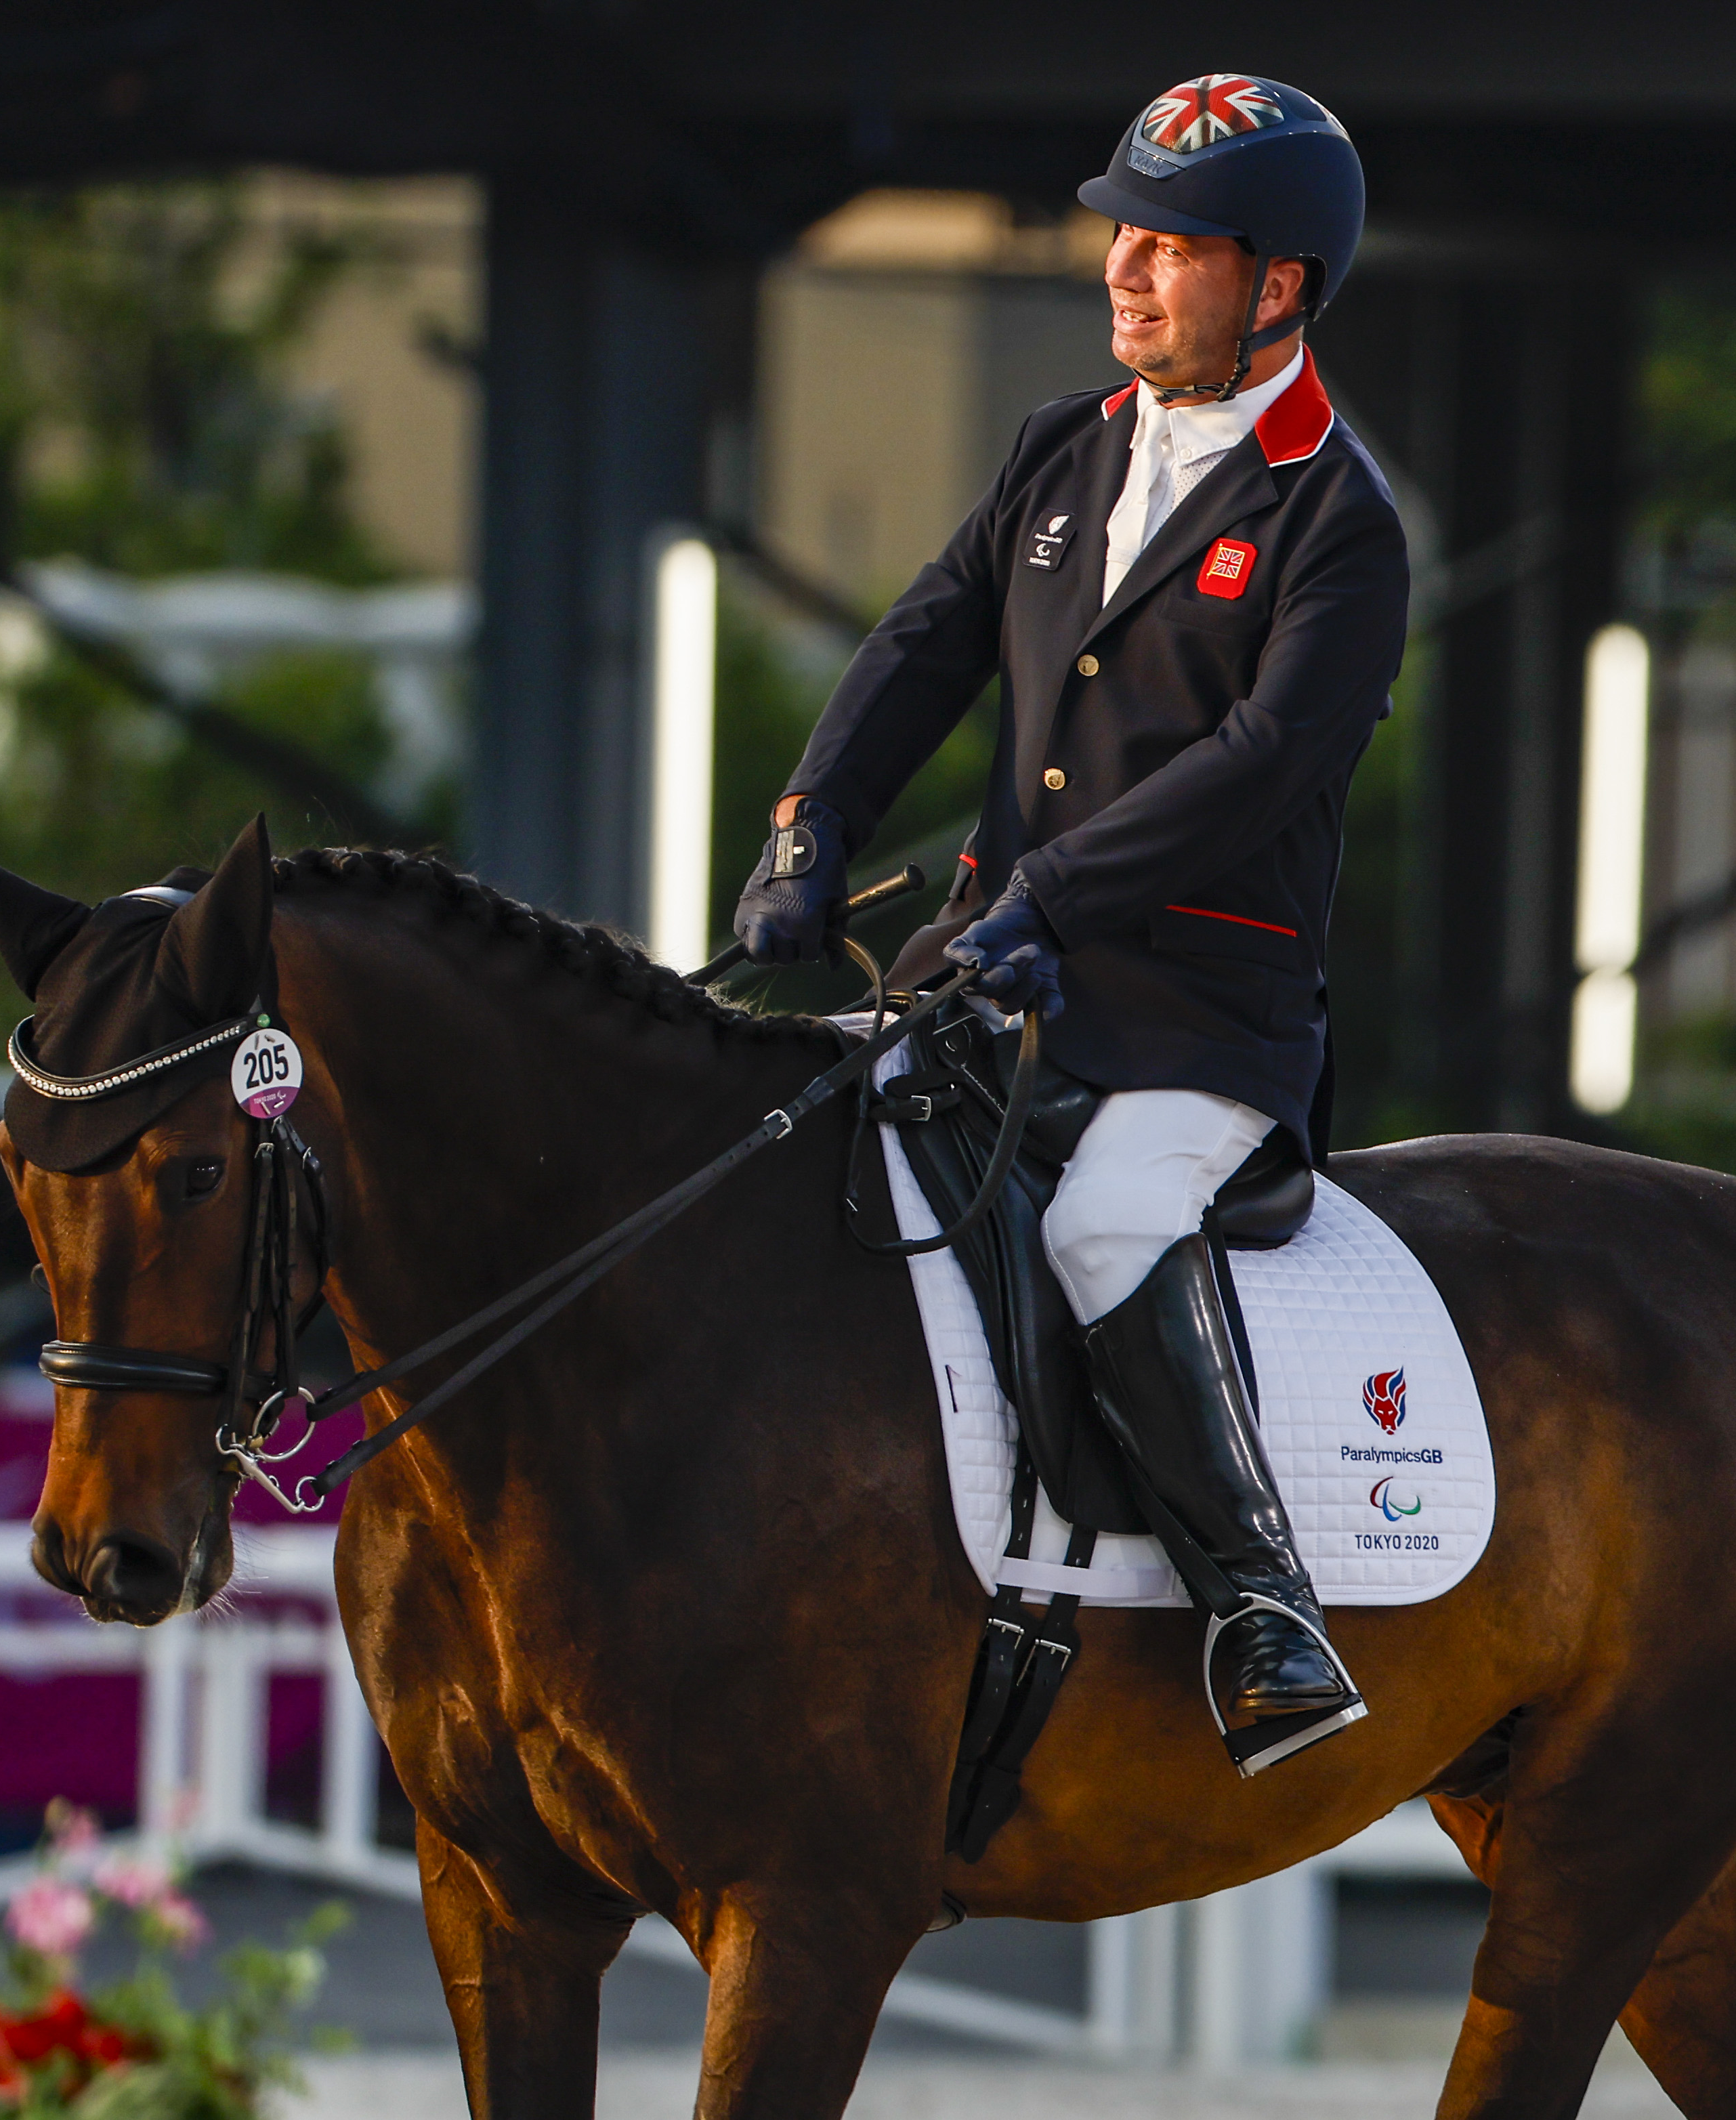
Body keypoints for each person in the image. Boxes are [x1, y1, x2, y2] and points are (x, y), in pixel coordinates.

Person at [732, 75, 1402, 1767]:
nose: (1125, 267)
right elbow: (923, 644)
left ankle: (1267, 1605)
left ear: (1279, 284)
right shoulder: (1067, 442)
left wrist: (1052, 896)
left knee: (1104, 1225)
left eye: (1172, 245)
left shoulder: (1339, 521)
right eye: (1125, 231)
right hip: (986, 970)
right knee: (792, 1160)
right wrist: (809, 829)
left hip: (1197, 1017)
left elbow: (1256, 772)